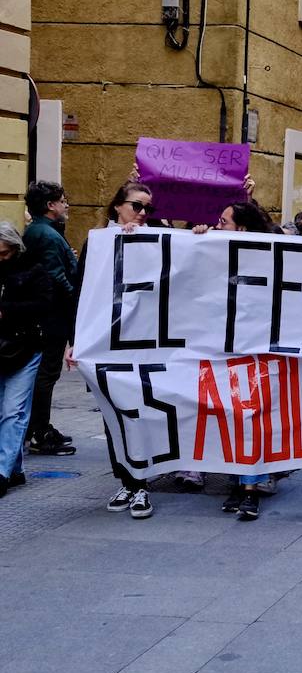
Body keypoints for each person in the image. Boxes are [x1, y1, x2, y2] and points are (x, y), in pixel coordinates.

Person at [77, 182, 164, 513]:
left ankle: (140, 483)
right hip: (105, 343)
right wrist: (76, 340)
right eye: (136, 206)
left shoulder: (152, 237)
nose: (142, 214)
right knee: (112, 412)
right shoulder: (99, 242)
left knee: (138, 411)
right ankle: (128, 481)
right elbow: (81, 292)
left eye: (148, 209)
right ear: (117, 206)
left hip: (142, 343)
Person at [194, 200, 277, 520]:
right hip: (222, 347)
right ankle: (237, 482)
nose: (218, 224)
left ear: (241, 228)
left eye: (223, 221)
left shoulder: (269, 250)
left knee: (250, 416)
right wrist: (195, 238)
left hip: (256, 347)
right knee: (229, 415)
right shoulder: (214, 247)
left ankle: (250, 487)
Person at [22, 180, 77, 457]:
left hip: (47, 314)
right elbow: (55, 276)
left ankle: (38, 427)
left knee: (44, 373)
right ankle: (39, 432)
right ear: (50, 205)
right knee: (46, 374)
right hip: (53, 316)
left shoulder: (43, 231)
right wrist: (76, 297)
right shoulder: (46, 234)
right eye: (62, 201)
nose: (66, 205)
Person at [0, 222, 51, 499]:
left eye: (4, 253)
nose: (1, 258)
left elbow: (44, 305)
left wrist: (6, 311)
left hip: (25, 347)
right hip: (5, 346)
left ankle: (2, 471)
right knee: (5, 412)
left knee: (13, 411)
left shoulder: (33, 269)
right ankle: (15, 467)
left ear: (15, 248)